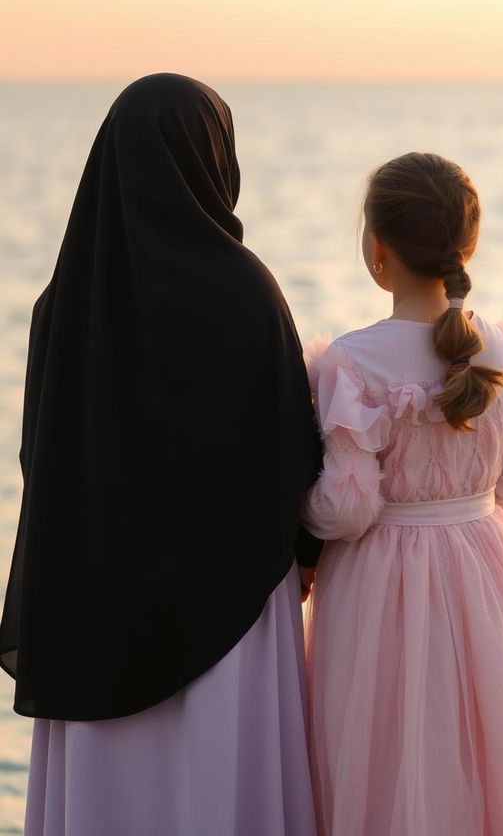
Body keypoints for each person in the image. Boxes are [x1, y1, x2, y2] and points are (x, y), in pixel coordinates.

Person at [0, 73, 322, 836]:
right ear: (213, 160)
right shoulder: (246, 292)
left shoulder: (63, 303)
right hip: (229, 608)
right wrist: (309, 552)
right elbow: (291, 451)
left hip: (95, 606)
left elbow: (39, 458)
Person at [302, 152, 503, 835]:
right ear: (465, 246)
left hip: (382, 590)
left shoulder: (351, 361)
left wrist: (293, 513)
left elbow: (347, 508)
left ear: (376, 251)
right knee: (488, 752)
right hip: (489, 578)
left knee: (384, 759)